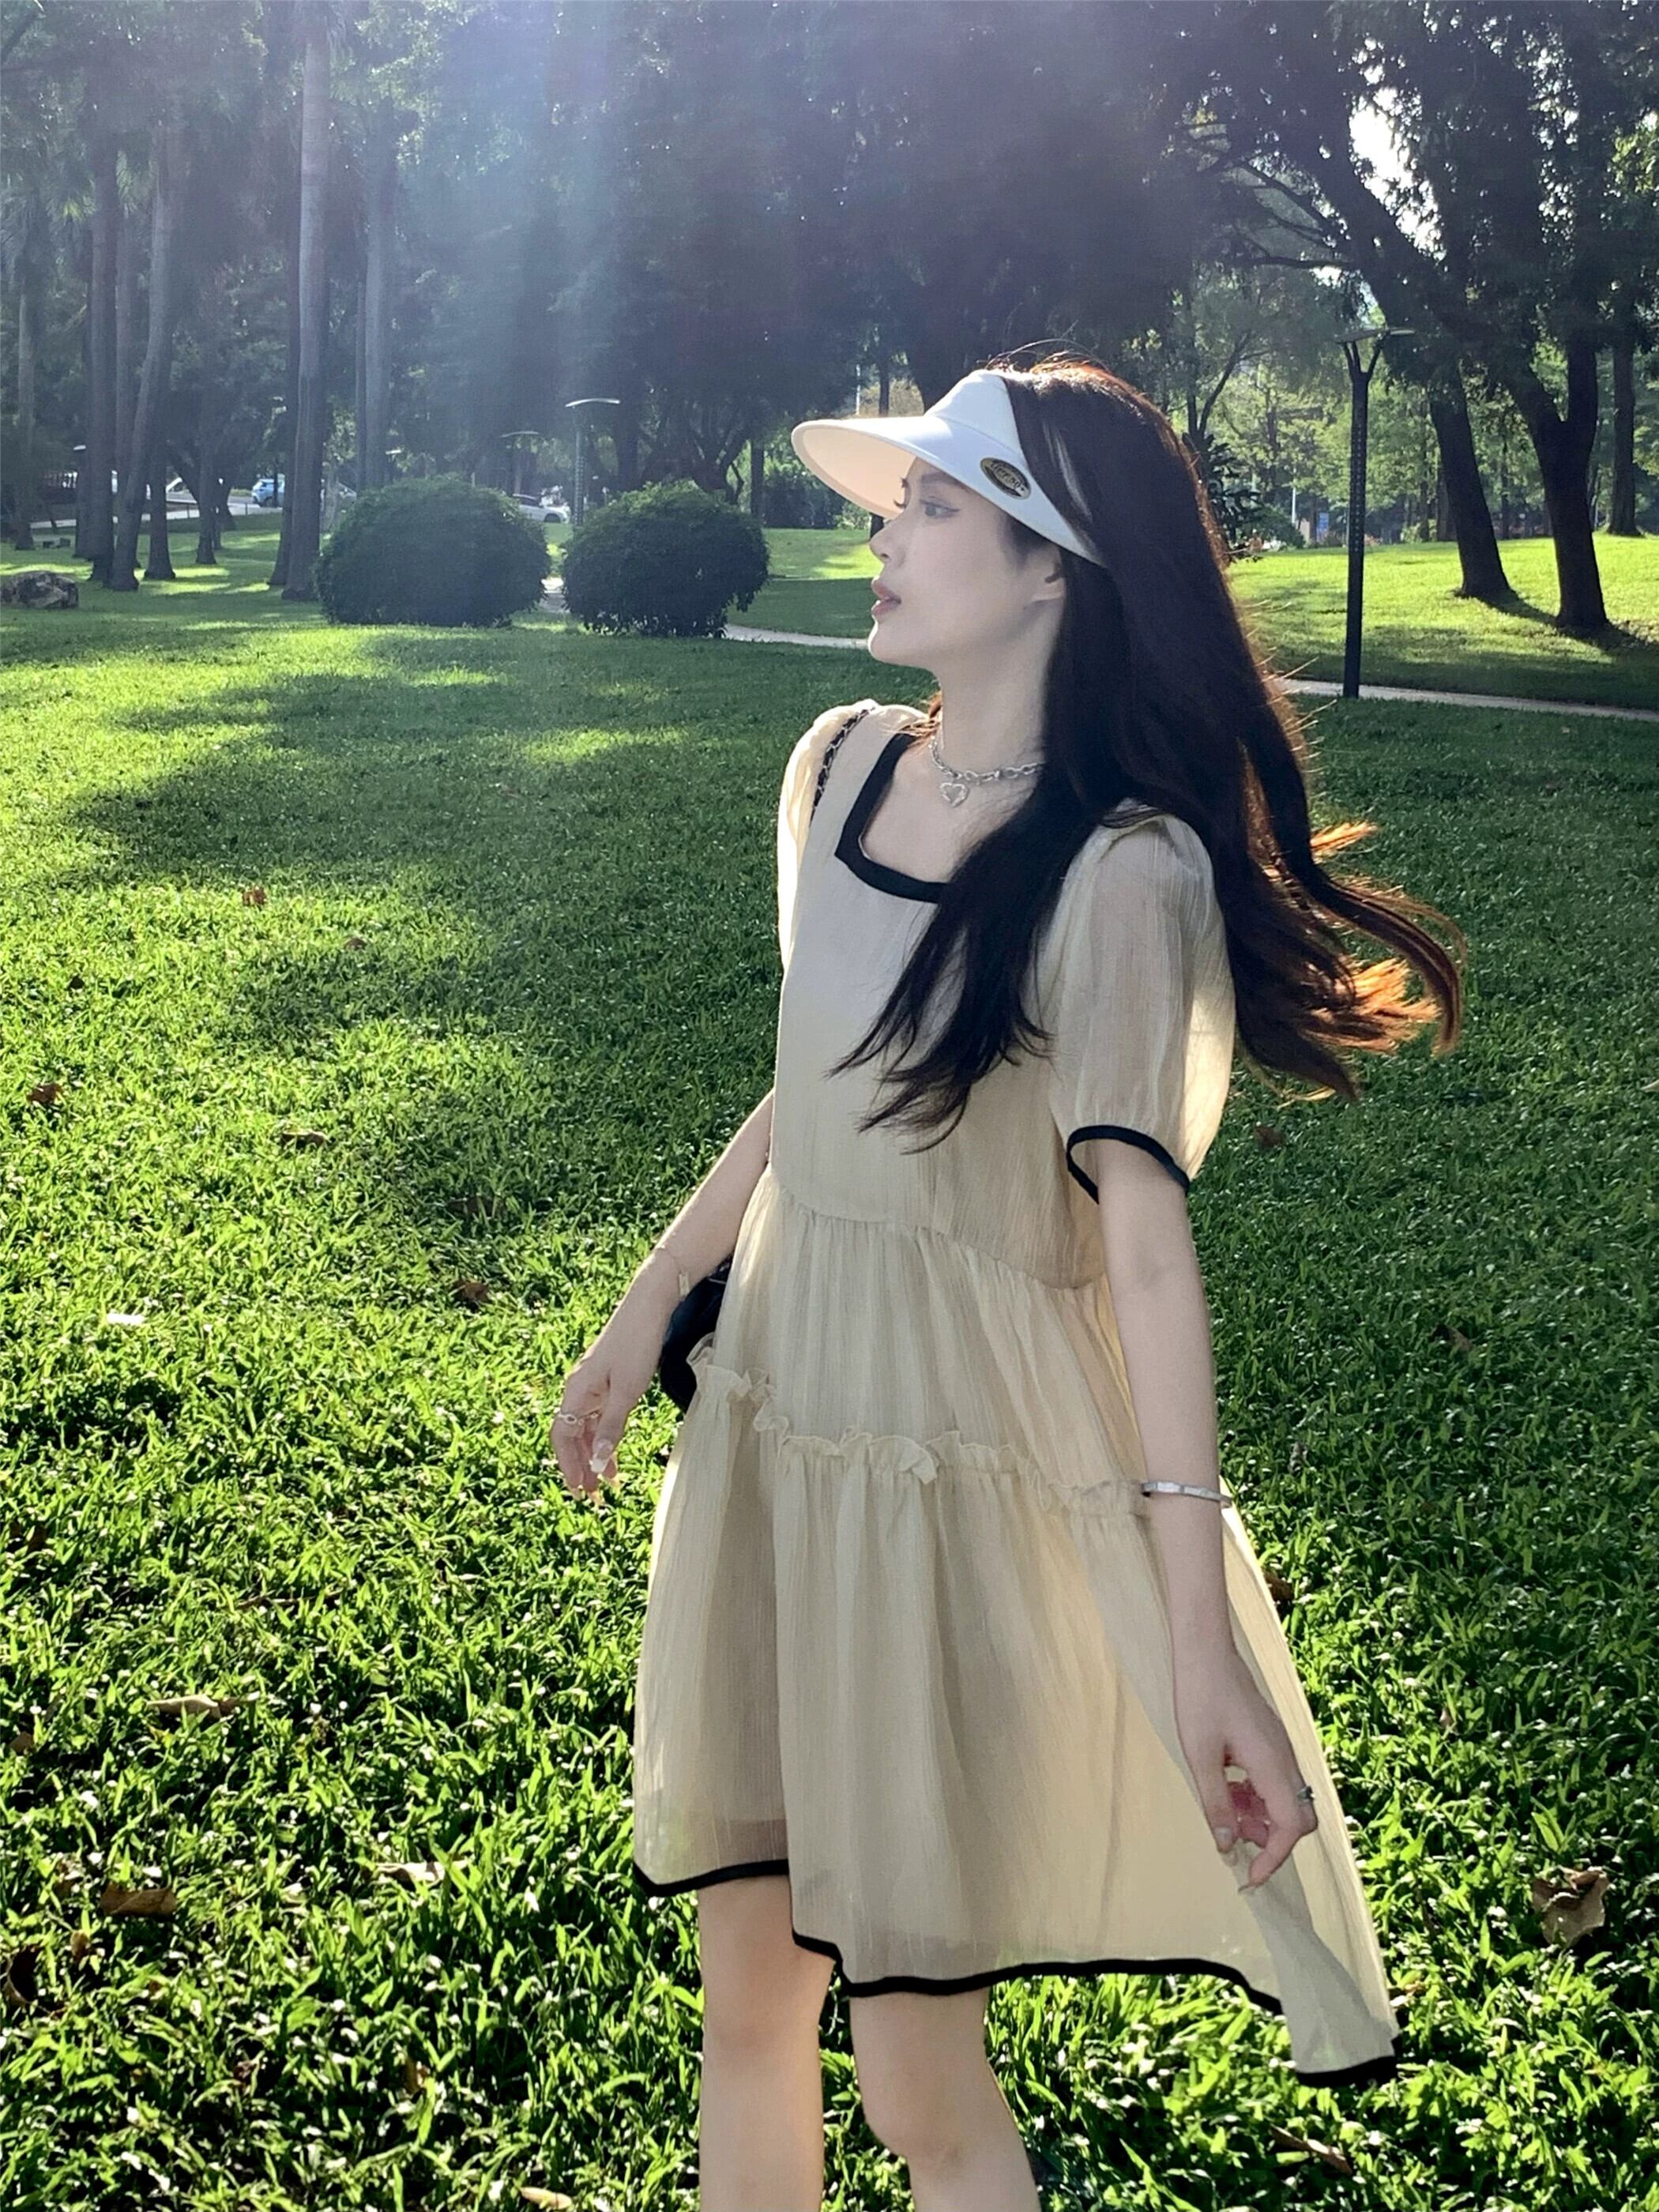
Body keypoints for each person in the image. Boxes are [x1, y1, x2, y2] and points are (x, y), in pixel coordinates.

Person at [549, 352, 1465, 2212]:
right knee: (746, 2004)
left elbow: (1146, 1253)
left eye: (938, 504)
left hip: (948, 1487)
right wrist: (651, 1301)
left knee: (915, 2075)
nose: (889, 534)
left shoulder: (1124, 873)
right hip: (776, 1426)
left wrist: (1198, 1636)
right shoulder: (838, 768)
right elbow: (821, 1083)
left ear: (1053, 565)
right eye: (898, 500)